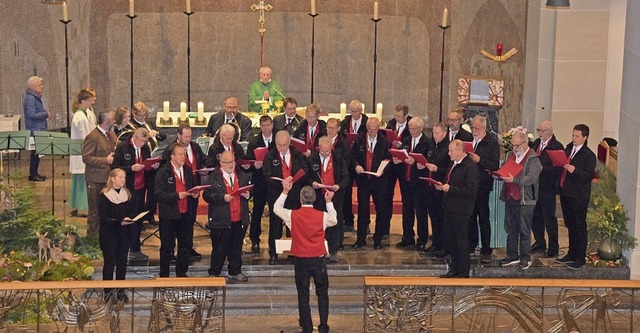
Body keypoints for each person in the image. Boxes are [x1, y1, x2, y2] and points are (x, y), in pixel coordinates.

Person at [273, 181, 337, 333]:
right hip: (318, 259)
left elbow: (276, 208)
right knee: (322, 293)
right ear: (314, 199)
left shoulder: (292, 215)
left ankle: (307, 328)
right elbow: (334, 220)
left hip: (301, 260)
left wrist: (285, 191)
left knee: (303, 295)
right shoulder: (322, 216)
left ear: (301, 200)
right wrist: (329, 202)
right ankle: (323, 327)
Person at [112, 127, 159, 263]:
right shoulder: (123, 147)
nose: (142, 144)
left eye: (145, 142)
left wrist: (152, 167)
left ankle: (135, 249)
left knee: (137, 219)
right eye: (141, 141)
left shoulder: (145, 149)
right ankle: (122, 249)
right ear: (135, 137)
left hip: (140, 188)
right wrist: (131, 168)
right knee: (125, 219)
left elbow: (147, 166)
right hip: (127, 189)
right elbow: (115, 167)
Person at [496, 130, 541, 270]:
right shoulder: (510, 155)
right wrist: (498, 175)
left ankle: (525, 258)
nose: (514, 148)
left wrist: (514, 179)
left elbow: (531, 178)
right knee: (510, 228)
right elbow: (504, 169)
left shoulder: (533, 159)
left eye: (517, 145)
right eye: (513, 145)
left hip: (525, 199)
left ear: (525, 143)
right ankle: (512, 255)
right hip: (510, 196)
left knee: (524, 230)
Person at [203, 151, 252, 281]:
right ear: (221, 163)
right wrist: (222, 198)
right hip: (221, 219)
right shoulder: (214, 177)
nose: (230, 164)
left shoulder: (242, 175)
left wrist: (248, 195)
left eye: (232, 161)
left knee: (236, 247)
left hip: (239, 217)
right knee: (219, 248)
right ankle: (214, 272)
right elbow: (206, 195)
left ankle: (235, 270)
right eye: (227, 162)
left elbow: (250, 190)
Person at [263, 131, 309, 264]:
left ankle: (293, 252)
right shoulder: (270, 156)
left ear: (289, 143)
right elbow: (267, 175)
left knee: (293, 225)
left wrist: (293, 179)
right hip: (277, 195)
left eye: (284, 145)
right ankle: (273, 253)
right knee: (275, 225)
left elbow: (305, 170)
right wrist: (281, 183)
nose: (282, 148)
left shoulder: (297, 155)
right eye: (279, 145)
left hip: (294, 194)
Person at [435, 140, 479, 278]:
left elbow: (471, 190)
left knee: (461, 240)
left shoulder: (470, 167)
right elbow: (451, 181)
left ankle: (463, 271)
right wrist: (442, 186)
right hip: (450, 207)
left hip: (462, 209)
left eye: (451, 151)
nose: (449, 153)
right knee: (452, 239)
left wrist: (450, 189)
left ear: (460, 151)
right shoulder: (454, 164)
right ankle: (454, 268)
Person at [555, 124, 596, 269]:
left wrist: (574, 170)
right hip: (566, 193)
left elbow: (588, 175)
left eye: (577, 136)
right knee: (570, 224)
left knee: (579, 226)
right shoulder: (568, 149)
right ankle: (571, 253)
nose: (574, 138)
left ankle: (580, 257)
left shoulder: (589, 155)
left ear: (584, 138)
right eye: (573, 135)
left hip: (579, 195)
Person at [155, 143, 199, 277]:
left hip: (185, 213)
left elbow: (192, 186)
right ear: (172, 156)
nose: (183, 157)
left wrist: (194, 194)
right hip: (169, 214)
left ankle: (181, 272)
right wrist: (176, 196)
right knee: (167, 247)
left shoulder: (187, 170)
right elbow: (158, 194)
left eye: (184, 154)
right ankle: (164, 275)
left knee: (185, 245)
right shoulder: (163, 172)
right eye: (180, 154)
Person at [352, 117, 392, 249]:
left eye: (375, 130)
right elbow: (354, 157)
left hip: (379, 181)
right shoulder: (359, 140)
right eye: (370, 130)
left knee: (381, 208)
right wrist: (357, 165)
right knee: (363, 208)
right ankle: (361, 238)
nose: (372, 133)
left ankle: (378, 238)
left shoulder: (384, 141)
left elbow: (388, 159)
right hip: (364, 180)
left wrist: (382, 170)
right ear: (367, 128)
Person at [308, 136, 350, 262]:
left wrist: (339, 186)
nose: (325, 154)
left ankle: (333, 251)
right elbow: (306, 177)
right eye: (323, 151)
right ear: (318, 148)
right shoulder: (312, 159)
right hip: (318, 197)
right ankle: (318, 249)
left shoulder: (338, 159)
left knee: (333, 223)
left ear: (331, 148)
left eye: (327, 151)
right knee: (318, 224)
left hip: (333, 197)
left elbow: (346, 177)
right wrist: (313, 183)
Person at [393, 117, 430, 250]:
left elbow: (428, 162)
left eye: (414, 128)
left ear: (420, 128)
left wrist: (417, 163)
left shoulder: (427, 142)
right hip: (406, 180)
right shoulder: (407, 140)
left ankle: (422, 239)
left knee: (420, 211)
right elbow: (403, 154)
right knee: (407, 210)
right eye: (409, 128)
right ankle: (407, 237)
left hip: (419, 182)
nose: (411, 131)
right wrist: (398, 160)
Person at [467, 115, 500, 263]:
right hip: (469, 184)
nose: (474, 130)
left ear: (484, 128)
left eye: (477, 128)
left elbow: (494, 165)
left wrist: (479, 160)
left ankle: (486, 249)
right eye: (473, 127)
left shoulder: (491, 143)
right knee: (470, 216)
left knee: (483, 217)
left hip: (483, 185)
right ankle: (471, 244)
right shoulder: (469, 140)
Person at [98, 168, 133, 301]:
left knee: (122, 263)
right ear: (112, 179)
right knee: (109, 263)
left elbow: (130, 212)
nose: (123, 180)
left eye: (124, 177)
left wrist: (130, 219)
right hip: (109, 234)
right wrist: (119, 222)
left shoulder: (127, 194)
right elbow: (104, 218)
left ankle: (120, 292)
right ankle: (107, 293)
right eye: (120, 177)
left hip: (124, 234)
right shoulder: (105, 195)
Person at [530, 120, 564, 258]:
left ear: (550, 131)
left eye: (542, 131)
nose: (540, 133)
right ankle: (539, 242)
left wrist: (543, 169)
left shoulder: (557, 146)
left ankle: (554, 247)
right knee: (535, 216)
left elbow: (559, 169)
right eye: (538, 130)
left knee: (549, 217)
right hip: (535, 186)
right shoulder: (536, 143)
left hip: (548, 187)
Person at [82, 108, 117, 237]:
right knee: (95, 212)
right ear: (107, 121)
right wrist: (105, 160)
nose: (114, 121)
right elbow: (86, 158)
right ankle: (91, 239)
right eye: (113, 119)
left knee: (107, 211)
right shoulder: (92, 137)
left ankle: (105, 237)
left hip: (108, 179)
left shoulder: (111, 135)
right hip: (95, 179)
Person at [130, 102, 166, 225]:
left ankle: (149, 215)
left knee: (152, 191)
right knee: (139, 194)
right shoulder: (131, 126)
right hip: (139, 163)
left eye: (145, 114)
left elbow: (163, 136)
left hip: (151, 162)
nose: (143, 117)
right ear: (134, 113)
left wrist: (156, 133)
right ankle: (137, 219)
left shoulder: (149, 123)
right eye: (140, 115)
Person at [246, 115, 276, 253]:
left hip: (274, 182)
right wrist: (254, 165)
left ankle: (275, 241)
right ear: (260, 126)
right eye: (263, 126)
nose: (266, 128)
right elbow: (248, 162)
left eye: (268, 125)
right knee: (257, 211)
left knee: (275, 212)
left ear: (272, 125)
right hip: (260, 181)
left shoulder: (278, 139)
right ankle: (255, 240)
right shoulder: (254, 142)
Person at [340, 100, 369, 232]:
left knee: (363, 194)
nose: (354, 114)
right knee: (346, 193)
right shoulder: (345, 123)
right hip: (347, 162)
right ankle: (348, 221)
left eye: (356, 111)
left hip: (361, 162)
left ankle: (364, 223)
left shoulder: (367, 123)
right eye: (351, 111)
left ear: (361, 111)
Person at [423, 122, 451, 257]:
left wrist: (437, 169)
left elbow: (450, 169)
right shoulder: (432, 144)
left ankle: (444, 246)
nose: (434, 135)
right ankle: (435, 243)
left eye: (437, 133)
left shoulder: (448, 148)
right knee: (433, 216)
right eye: (433, 132)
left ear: (445, 133)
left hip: (441, 187)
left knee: (442, 217)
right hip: (430, 186)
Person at [324, 118, 353, 250]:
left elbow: (346, 164)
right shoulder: (322, 141)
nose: (330, 130)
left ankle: (338, 241)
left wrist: (338, 183)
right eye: (328, 127)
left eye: (333, 128)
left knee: (337, 213)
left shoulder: (344, 144)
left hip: (337, 185)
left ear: (339, 129)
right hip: (322, 185)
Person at [69, 89, 97, 217]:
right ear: (83, 101)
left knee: (81, 178)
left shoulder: (84, 114)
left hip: (82, 151)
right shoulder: (80, 116)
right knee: (81, 179)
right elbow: (86, 136)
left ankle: (79, 206)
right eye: (90, 101)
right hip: (81, 152)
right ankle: (82, 207)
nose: (92, 103)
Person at [23, 76, 49, 182]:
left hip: (37, 127)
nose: (42, 86)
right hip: (35, 128)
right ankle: (33, 174)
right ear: (33, 86)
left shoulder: (34, 97)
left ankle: (34, 173)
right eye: (39, 85)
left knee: (37, 152)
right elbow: (31, 114)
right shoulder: (31, 99)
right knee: (35, 153)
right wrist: (45, 113)